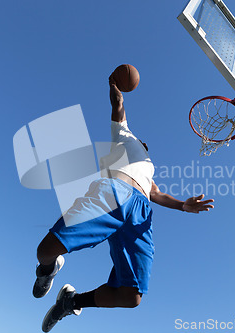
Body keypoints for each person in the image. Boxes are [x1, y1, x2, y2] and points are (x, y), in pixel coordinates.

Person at [33, 73, 214, 332]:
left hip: (141, 211)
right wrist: (115, 88)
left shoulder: (149, 166)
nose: (147, 145)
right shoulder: (124, 135)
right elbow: (117, 106)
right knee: (45, 251)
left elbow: (156, 194)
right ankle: (46, 271)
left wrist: (183, 205)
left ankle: (70, 302)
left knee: (132, 297)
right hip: (113, 193)